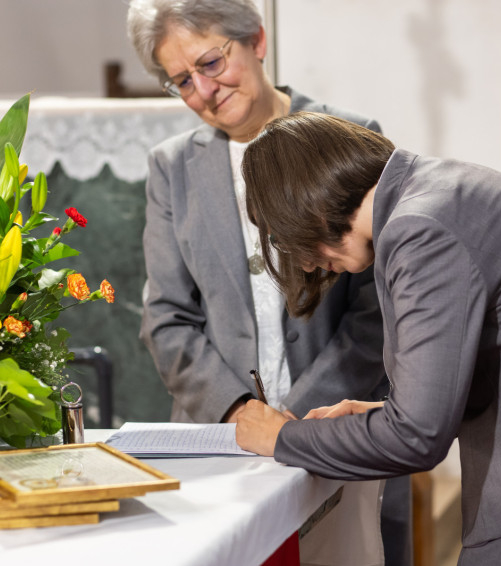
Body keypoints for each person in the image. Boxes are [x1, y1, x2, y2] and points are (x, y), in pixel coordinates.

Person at [236, 111, 501, 565]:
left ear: (306, 205)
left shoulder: (420, 229)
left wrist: (283, 437)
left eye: (286, 238)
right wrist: (380, 413)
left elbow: (416, 437)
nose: (306, 263)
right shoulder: (435, 192)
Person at [126, 1, 412, 565]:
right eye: (181, 81)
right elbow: (166, 318)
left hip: (336, 429)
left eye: (211, 63)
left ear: (256, 41)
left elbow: (379, 306)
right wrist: (240, 414)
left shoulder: (349, 133)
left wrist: (293, 422)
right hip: (222, 445)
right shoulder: (172, 166)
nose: (204, 91)